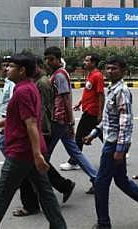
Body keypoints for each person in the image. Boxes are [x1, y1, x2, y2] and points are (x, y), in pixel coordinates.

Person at [0, 53, 67, 229]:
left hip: (21, 153)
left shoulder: (23, 91)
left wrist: (37, 155)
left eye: (10, 66)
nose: (6, 69)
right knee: (45, 192)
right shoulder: (27, 87)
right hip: (31, 151)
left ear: (22, 70)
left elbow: (31, 123)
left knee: (1, 196)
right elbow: (19, 117)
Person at [84, 56, 138, 229]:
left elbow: (126, 123)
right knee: (122, 182)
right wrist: (95, 133)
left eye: (114, 69)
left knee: (101, 184)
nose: (110, 71)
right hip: (111, 142)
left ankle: (103, 223)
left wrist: (120, 149)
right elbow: (110, 119)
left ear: (123, 71)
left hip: (113, 146)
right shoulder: (112, 88)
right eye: (108, 68)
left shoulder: (122, 91)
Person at [12, 55, 75, 217]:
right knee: (37, 165)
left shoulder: (42, 84)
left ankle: (34, 204)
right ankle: (62, 186)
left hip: (42, 129)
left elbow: (42, 110)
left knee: (32, 166)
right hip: (39, 129)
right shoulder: (35, 83)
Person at [44, 46, 97, 194]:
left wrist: (70, 121)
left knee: (44, 155)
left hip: (59, 120)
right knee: (75, 151)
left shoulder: (59, 75)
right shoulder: (57, 73)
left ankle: (44, 185)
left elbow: (66, 98)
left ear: (58, 59)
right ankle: (96, 178)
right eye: (47, 59)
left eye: (51, 59)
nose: (48, 62)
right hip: (61, 120)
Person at [60, 53, 104, 173]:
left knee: (79, 136)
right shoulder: (90, 75)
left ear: (93, 63)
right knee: (101, 133)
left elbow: (100, 95)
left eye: (87, 61)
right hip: (88, 109)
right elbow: (88, 92)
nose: (84, 63)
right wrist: (80, 104)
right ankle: (117, 150)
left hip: (92, 111)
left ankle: (73, 161)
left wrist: (100, 113)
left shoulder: (98, 76)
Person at [0, 55, 15, 156]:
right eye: (4, 65)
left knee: (3, 144)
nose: (6, 68)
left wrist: (7, 124)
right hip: (6, 118)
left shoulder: (12, 83)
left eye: (8, 65)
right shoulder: (7, 81)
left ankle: (14, 165)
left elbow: (13, 103)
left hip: (10, 118)